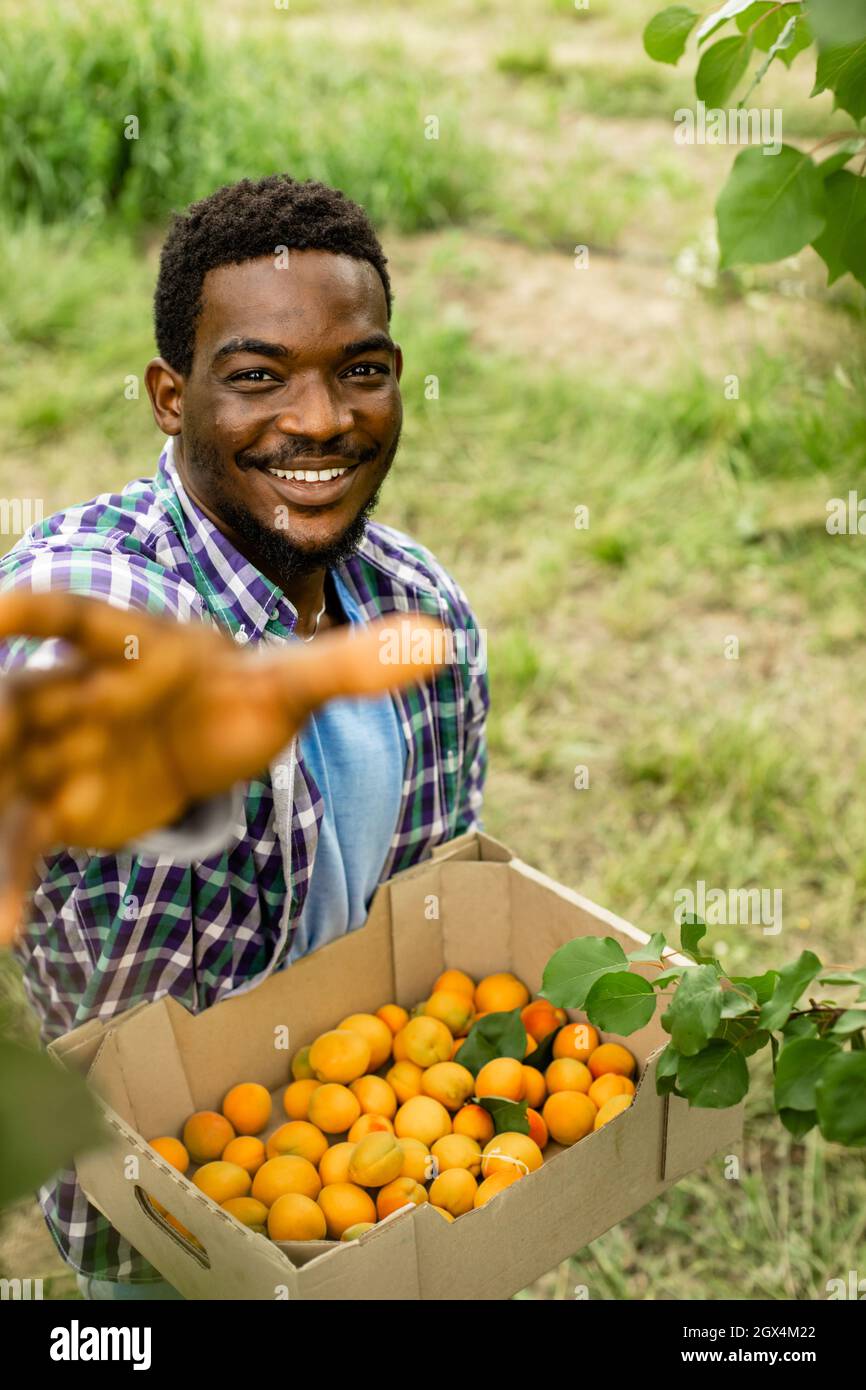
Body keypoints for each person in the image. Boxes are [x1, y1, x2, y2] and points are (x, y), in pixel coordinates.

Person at [0, 174, 489, 1298]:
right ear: (171, 396)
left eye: (358, 371)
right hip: (165, 1228)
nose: (319, 420)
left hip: (381, 1175)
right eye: (257, 377)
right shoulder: (106, 595)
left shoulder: (423, 613)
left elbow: (434, 910)